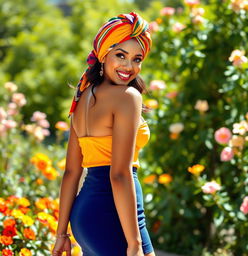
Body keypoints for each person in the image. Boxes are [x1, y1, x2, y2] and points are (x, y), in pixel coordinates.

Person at [52, 12, 155, 256]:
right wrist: (134, 243)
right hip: (115, 214)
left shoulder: (82, 97)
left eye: (137, 58)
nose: (129, 66)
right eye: (120, 55)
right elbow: (119, 174)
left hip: (85, 216)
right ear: (103, 54)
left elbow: (71, 173)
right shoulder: (128, 97)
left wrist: (61, 234)